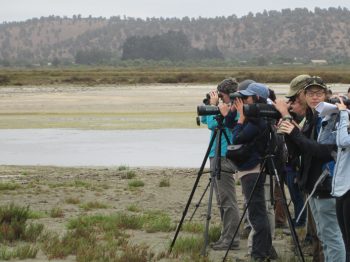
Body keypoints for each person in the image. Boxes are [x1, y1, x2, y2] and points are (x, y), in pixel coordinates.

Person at [275, 76, 346, 262]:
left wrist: (294, 132)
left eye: (319, 93)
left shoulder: (333, 117)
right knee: (323, 235)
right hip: (313, 185)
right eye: (310, 93)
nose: (315, 97)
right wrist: (288, 132)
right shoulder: (313, 117)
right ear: (304, 96)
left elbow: (323, 151)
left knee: (332, 237)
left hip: (326, 186)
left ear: (326, 94)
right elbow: (300, 149)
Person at [225, 83, 272, 261]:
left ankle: (259, 254)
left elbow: (236, 137)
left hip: (253, 170)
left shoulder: (257, 121)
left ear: (257, 100)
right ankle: (265, 251)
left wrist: (240, 118)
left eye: (246, 98)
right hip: (249, 170)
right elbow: (229, 124)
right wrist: (233, 112)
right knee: (257, 212)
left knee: (256, 214)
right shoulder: (252, 118)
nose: (241, 101)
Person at [200, 78, 241, 250]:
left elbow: (212, 125)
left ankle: (231, 239)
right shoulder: (225, 108)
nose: (220, 99)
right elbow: (204, 120)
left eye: (221, 96)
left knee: (227, 200)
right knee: (221, 200)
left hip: (224, 156)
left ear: (229, 96)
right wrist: (211, 106)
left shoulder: (235, 110)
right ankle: (227, 236)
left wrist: (216, 107)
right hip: (216, 155)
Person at [334, 97, 350, 262]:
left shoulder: (345, 117)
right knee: (345, 240)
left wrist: (343, 113)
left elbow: (342, 141)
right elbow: (327, 139)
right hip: (343, 187)